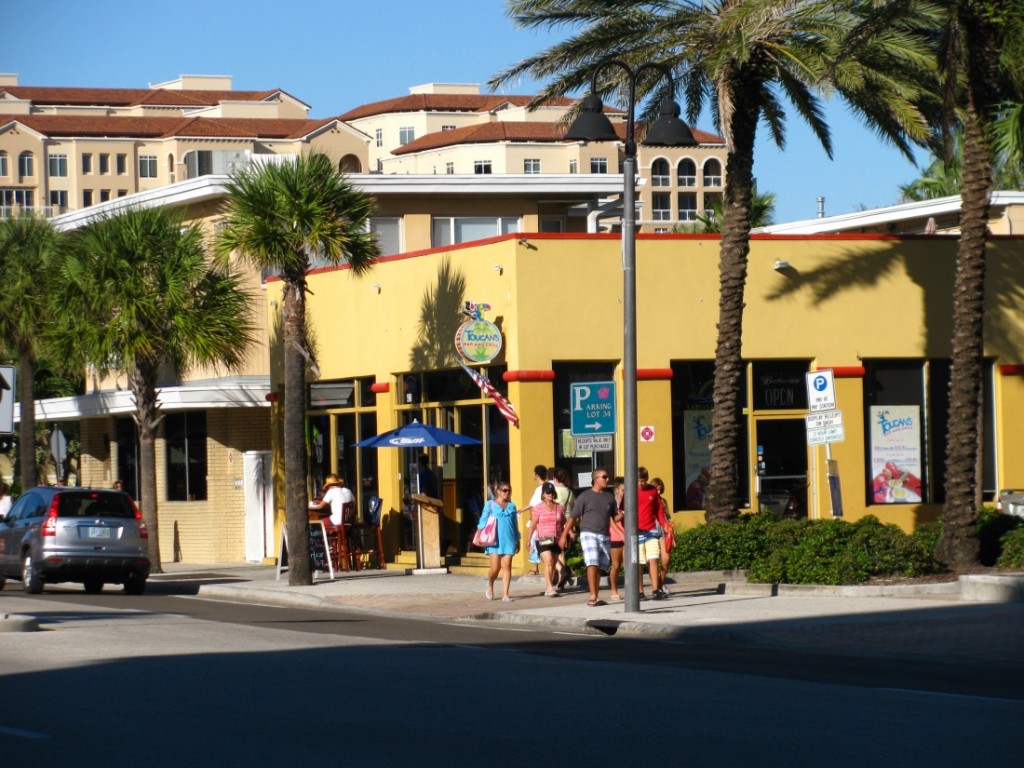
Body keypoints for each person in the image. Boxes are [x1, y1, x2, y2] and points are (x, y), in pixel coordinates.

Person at [559, 467, 620, 607]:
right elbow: (573, 517)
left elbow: (612, 518)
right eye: (604, 477)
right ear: (595, 479)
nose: (607, 479)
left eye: (607, 477)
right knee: (592, 562)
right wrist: (563, 535)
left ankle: (596, 596)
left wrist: (623, 514)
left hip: (604, 534)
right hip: (588, 533)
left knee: (600, 566)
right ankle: (593, 596)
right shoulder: (584, 496)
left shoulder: (609, 497)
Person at [478, 481, 520, 602]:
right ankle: (490, 584)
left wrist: (518, 539)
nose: (507, 493)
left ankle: (505, 594)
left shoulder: (512, 506)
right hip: (494, 540)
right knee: (495, 567)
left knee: (507, 566)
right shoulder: (490, 504)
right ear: (498, 491)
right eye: (504, 490)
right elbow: (483, 519)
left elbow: (514, 524)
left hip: (509, 539)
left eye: (509, 490)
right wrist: (479, 534)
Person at [637, 467, 669, 600]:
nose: (640, 484)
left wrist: (664, 525)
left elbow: (659, 511)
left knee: (653, 559)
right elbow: (623, 510)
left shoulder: (653, 491)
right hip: (636, 532)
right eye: (638, 481)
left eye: (643, 481)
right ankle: (640, 591)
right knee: (638, 563)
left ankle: (656, 590)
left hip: (651, 530)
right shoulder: (630, 491)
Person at [531, 482, 566, 597]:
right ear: (543, 494)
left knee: (553, 564)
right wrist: (528, 539)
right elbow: (533, 524)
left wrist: (568, 533)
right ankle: (549, 587)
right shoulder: (538, 508)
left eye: (552, 492)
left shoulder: (560, 507)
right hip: (543, 538)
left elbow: (564, 522)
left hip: (556, 539)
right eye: (548, 492)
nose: (550, 494)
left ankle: (549, 586)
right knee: (549, 561)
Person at [520, 464, 547, 575]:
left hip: (538, 519)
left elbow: (532, 504)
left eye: (533, 473)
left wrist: (519, 510)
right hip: (545, 520)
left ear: (537, 474)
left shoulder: (540, 488)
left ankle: (535, 567)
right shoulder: (548, 486)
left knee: (533, 542)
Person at [652, 476, 674, 592]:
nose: (659, 492)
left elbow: (667, 516)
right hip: (651, 530)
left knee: (666, 559)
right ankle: (657, 586)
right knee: (653, 559)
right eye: (656, 489)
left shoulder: (663, 501)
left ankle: (660, 583)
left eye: (660, 489)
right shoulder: (649, 500)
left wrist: (670, 525)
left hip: (663, 531)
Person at [607, 476, 626, 601]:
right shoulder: (612, 503)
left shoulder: (629, 501)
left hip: (628, 536)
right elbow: (610, 520)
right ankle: (614, 590)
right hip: (615, 537)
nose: (625, 493)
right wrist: (621, 515)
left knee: (629, 564)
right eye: (623, 490)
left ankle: (632, 590)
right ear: (617, 490)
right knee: (616, 565)